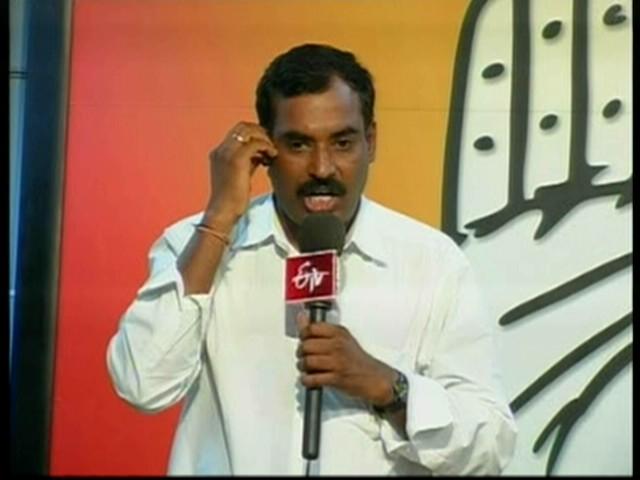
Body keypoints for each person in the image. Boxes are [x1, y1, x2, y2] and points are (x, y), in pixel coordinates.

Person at [107, 43, 517, 475]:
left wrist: (387, 386)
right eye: (299, 144)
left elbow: (490, 445)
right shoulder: (198, 245)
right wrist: (219, 218)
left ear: (371, 142)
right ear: (264, 149)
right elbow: (142, 384)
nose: (322, 168)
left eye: (342, 143)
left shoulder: (430, 262)